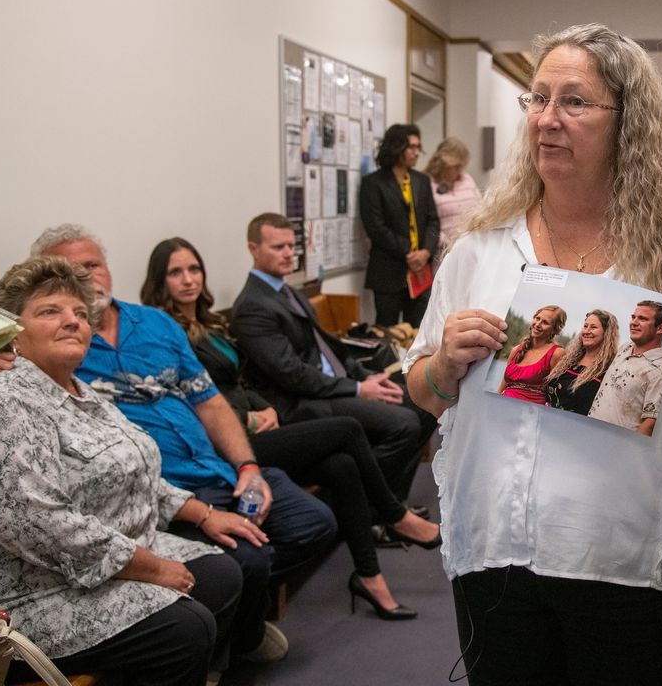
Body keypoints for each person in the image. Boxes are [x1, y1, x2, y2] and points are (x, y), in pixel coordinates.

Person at [403, 22, 662, 685]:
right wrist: (443, 365)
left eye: (574, 101)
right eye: (537, 99)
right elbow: (421, 393)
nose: (547, 119)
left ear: (628, 121)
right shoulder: (482, 249)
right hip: (499, 556)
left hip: (630, 563)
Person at [30, 224, 338, 666]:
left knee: (314, 523)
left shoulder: (155, 323)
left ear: (109, 270)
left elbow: (210, 402)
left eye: (92, 265)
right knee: (249, 560)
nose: (85, 277)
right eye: (69, 270)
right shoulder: (57, 344)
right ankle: (239, 637)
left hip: (218, 470)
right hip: (164, 490)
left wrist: (248, 467)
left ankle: (235, 619)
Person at [0, 256, 244, 685]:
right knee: (186, 627)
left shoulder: (81, 391)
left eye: (79, 313)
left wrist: (197, 511)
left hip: (81, 561)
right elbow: (36, 521)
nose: (72, 321)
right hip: (16, 590)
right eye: (50, 311)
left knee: (222, 575)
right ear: (12, 332)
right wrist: (149, 566)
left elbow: (138, 470)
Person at [141, 238, 442, 620]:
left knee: (341, 465)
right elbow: (188, 400)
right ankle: (395, 516)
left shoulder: (210, 321)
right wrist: (247, 418)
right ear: (159, 281)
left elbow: (239, 382)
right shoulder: (166, 331)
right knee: (348, 430)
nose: (188, 280)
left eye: (194, 269)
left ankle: (370, 579)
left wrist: (260, 407)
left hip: (255, 423)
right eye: (175, 273)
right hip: (228, 444)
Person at [230, 212, 437, 506]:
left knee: (426, 402)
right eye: (279, 247)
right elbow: (292, 374)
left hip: (334, 385)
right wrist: (358, 390)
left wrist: (363, 377)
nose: (289, 254)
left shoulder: (288, 291)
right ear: (253, 249)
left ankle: (391, 502)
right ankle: (374, 509)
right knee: (404, 423)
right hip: (302, 403)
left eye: (291, 246)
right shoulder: (253, 306)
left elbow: (328, 348)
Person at [358, 123, 440, 327]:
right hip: (388, 270)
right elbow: (375, 227)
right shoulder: (373, 183)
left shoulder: (421, 180)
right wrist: (408, 252)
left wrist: (426, 252)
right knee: (388, 331)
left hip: (421, 271)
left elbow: (433, 220)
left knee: (418, 331)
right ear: (396, 147)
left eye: (418, 147)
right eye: (411, 147)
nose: (416, 153)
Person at [588, 300, 662, 436]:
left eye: (642, 319)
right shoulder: (625, 348)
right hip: (588, 431)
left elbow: (650, 423)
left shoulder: (661, 370)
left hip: (615, 445)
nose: (634, 322)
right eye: (633, 317)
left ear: (660, 328)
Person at [544, 308, 619, 415]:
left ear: (606, 333)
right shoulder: (568, 360)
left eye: (593, 327)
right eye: (585, 326)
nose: (587, 331)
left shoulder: (608, 370)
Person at [497, 305, 566, 402]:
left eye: (545, 322)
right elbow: (501, 388)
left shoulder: (557, 353)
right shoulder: (516, 350)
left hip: (530, 414)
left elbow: (558, 395)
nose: (538, 324)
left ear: (555, 330)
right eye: (537, 318)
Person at [425, 136, 483, 251]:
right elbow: (427, 223)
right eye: (456, 167)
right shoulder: (426, 183)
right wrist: (449, 244)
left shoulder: (467, 179)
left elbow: (481, 209)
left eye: (462, 166)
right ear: (442, 164)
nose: (459, 171)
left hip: (474, 246)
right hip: (444, 250)